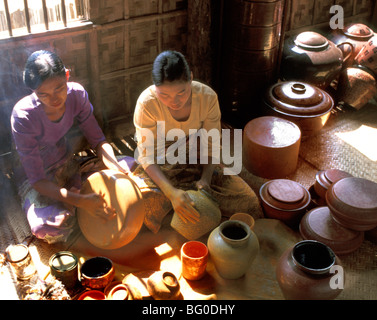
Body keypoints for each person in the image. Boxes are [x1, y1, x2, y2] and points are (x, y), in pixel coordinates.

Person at [132, 50, 263, 233]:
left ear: (191, 79)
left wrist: (206, 179)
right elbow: (147, 157)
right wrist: (171, 193)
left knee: (248, 202)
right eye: (164, 95)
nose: (174, 101)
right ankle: (181, 203)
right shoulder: (147, 104)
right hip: (163, 162)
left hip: (198, 158)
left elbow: (212, 146)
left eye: (181, 92)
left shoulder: (207, 97)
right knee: (138, 205)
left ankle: (185, 204)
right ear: (155, 88)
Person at [11, 50, 130, 244]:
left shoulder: (76, 94)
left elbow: (98, 140)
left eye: (59, 87)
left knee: (130, 166)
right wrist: (80, 200)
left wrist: (115, 168)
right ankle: (80, 214)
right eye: (43, 94)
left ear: (67, 75)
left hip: (67, 165)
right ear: (33, 92)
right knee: (45, 228)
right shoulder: (23, 116)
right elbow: (37, 180)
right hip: (38, 181)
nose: (54, 98)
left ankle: (81, 214)